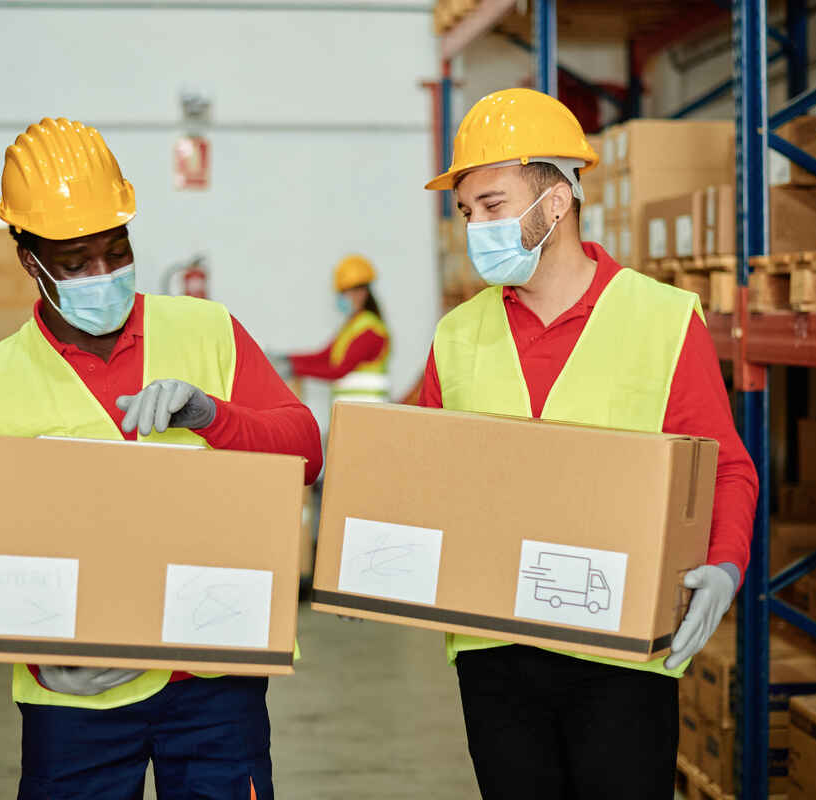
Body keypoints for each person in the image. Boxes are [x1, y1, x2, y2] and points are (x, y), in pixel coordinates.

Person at [0, 116, 322, 800]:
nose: (103, 274)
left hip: (214, 684)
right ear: (28, 258)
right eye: (76, 261)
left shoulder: (207, 330)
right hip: (76, 702)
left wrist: (214, 416)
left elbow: (306, 453)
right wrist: (38, 651)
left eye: (116, 251)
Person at [417, 88, 758, 799]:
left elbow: (725, 466)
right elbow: (422, 478)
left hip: (619, 648)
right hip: (494, 649)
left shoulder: (660, 318)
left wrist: (724, 566)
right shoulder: (457, 335)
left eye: (493, 205)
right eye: (466, 211)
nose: (474, 227)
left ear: (556, 202)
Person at [284, 255, 391, 404]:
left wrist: (294, 368)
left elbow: (338, 370)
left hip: (369, 413)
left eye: (344, 292)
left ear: (361, 293)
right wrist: (287, 359)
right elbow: (323, 356)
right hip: (351, 412)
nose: (341, 298)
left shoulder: (370, 331)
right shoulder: (351, 326)